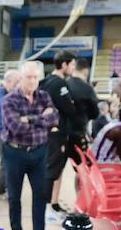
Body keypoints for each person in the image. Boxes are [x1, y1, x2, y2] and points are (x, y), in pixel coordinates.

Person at [1, 60, 57, 230]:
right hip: (14, 152)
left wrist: (29, 119)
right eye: (28, 77)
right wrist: (41, 118)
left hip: (39, 152)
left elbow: (54, 119)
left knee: (40, 194)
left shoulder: (44, 97)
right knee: (14, 196)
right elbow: (16, 126)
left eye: (35, 77)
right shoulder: (10, 100)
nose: (32, 81)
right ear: (21, 78)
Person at [41, 52, 97, 217]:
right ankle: (47, 208)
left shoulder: (45, 81)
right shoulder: (59, 84)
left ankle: (54, 204)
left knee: (55, 169)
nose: (73, 68)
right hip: (57, 133)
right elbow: (69, 109)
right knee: (52, 170)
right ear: (64, 65)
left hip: (51, 132)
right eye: (71, 64)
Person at [0, 69, 18, 198]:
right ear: (8, 81)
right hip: (0, 131)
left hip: (11, 130)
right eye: (16, 81)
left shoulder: (15, 93)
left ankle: (4, 188)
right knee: (6, 160)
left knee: (9, 160)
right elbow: (5, 104)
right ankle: (2, 190)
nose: (18, 84)